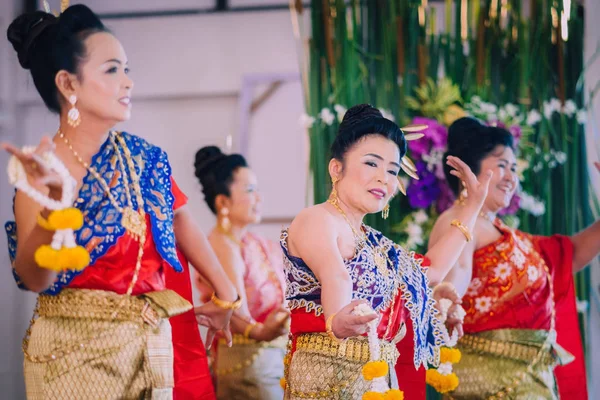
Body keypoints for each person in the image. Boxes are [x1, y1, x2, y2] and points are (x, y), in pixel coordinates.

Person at [3, 4, 238, 399]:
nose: (127, 83)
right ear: (68, 84)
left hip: (151, 344)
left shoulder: (144, 158)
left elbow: (180, 220)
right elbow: (33, 278)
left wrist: (227, 293)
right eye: (112, 70)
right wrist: (53, 210)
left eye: (127, 69)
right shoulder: (42, 170)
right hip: (73, 356)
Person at [280, 104, 494, 399]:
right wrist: (337, 319)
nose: (384, 178)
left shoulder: (376, 243)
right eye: (371, 163)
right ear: (336, 168)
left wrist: (473, 206)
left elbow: (430, 272)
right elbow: (336, 277)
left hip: (378, 378)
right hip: (325, 375)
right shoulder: (317, 219)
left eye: (393, 170)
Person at [429, 117, 600, 399]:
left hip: (527, 377)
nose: (511, 176)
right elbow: (455, 272)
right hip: (491, 379)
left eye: (513, 167)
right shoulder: (459, 219)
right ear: (469, 171)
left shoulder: (505, 234)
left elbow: (568, 255)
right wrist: (448, 300)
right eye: (501, 165)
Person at [194, 146, 289, 399]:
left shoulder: (252, 242)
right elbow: (234, 311)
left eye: (258, 190)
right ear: (223, 201)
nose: (259, 198)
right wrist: (261, 331)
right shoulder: (221, 245)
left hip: (271, 362)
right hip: (248, 365)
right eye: (249, 190)